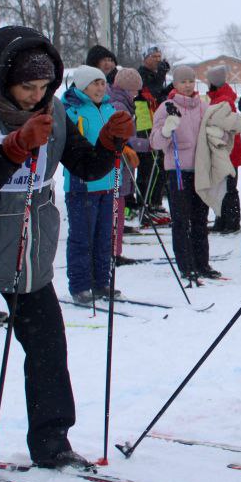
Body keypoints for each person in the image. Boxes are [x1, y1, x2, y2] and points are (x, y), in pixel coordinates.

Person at [0, 26, 133, 476]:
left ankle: (52, 441)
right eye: (26, 88)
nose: (35, 97)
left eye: (44, 88)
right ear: (2, 78)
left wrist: (110, 144)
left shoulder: (52, 111)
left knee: (48, 346)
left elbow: (85, 164)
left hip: (27, 254)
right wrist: (15, 148)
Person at [150, 66, 219, 285]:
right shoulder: (167, 107)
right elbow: (156, 143)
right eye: (183, 82)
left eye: (191, 81)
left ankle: (202, 263)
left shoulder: (203, 107)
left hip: (200, 170)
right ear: (175, 84)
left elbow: (213, 133)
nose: (188, 85)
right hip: (177, 171)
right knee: (181, 220)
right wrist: (166, 131)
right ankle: (186, 265)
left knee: (200, 218)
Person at [61, 65, 124, 303]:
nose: (100, 87)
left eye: (102, 83)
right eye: (94, 83)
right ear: (82, 86)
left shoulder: (108, 108)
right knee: (82, 236)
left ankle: (102, 282)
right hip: (82, 184)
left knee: (104, 235)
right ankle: (80, 285)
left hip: (108, 181)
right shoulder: (72, 110)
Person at [195, 67, 241, 238]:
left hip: (227, 151)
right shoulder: (222, 97)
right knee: (223, 186)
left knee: (228, 188)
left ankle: (231, 221)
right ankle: (223, 219)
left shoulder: (223, 100)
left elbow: (223, 124)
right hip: (227, 150)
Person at [108, 67, 145, 264]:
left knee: (119, 210)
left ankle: (115, 250)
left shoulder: (122, 103)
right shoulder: (118, 106)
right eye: (134, 91)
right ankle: (113, 252)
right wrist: (148, 145)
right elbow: (125, 139)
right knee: (116, 211)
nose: (137, 95)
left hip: (123, 166)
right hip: (118, 167)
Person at [134, 46, 170, 226]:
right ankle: (147, 203)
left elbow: (159, 94)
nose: (158, 60)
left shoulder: (155, 76)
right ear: (145, 58)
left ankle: (154, 201)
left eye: (159, 56)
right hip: (144, 121)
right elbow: (152, 92)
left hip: (154, 119)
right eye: (154, 56)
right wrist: (162, 75)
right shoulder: (141, 74)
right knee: (152, 164)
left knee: (158, 164)